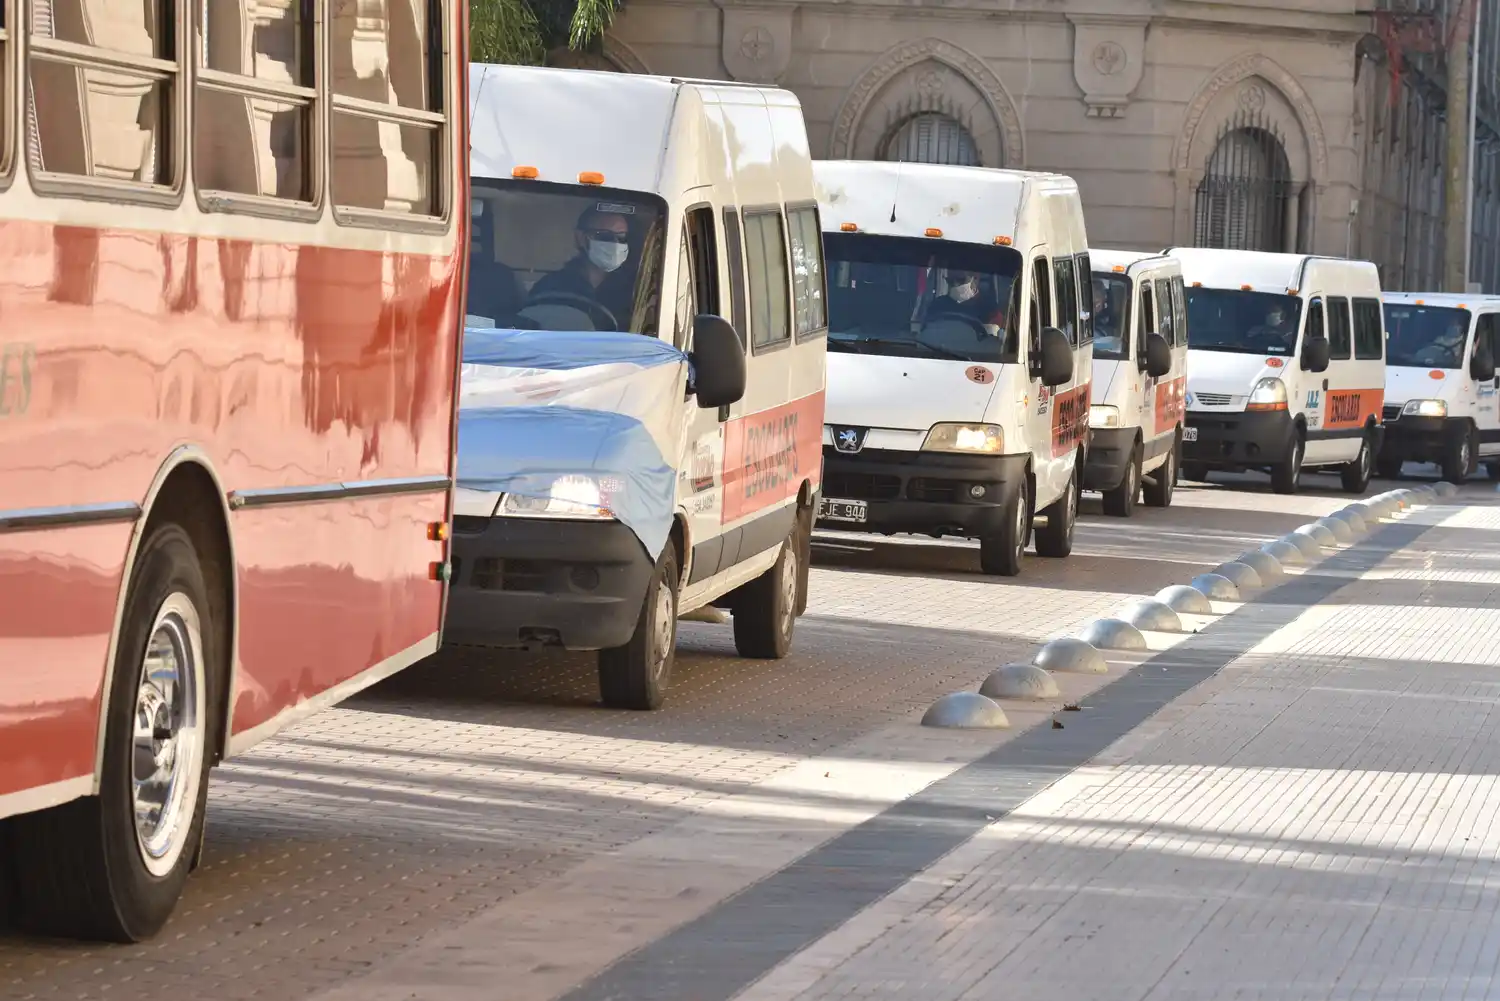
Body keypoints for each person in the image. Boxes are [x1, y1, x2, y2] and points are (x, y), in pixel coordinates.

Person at [526, 206, 637, 328]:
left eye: (622, 237)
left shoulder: (631, 291)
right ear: (580, 238)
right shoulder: (551, 286)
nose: (615, 245)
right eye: (604, 236)